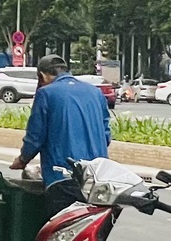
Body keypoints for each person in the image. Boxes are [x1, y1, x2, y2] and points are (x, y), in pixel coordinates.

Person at [10, 54, 112, 219]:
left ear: (42, 76)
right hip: (98, 178)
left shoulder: (46, 93)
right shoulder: (95, 92)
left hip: (63, 178)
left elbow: (36, 136)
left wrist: (22, 160)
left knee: (61, 235)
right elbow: (106, 135)